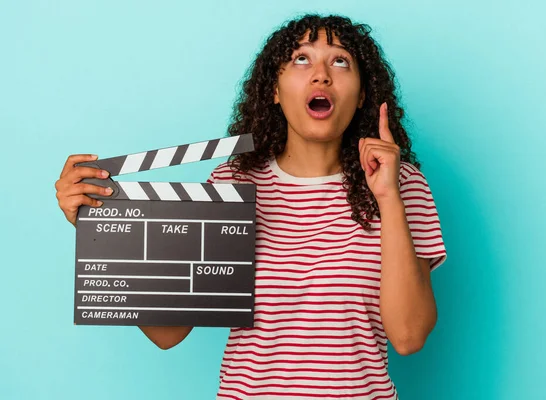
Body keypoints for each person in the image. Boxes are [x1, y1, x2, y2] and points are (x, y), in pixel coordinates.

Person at [55, 13, 447, 400]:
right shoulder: (232, 183)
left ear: (363, 93)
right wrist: (98, 226)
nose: (322, 74)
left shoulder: (401, 183)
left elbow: (409, 336)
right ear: (274, 90)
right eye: (301, 59)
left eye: (340, 61)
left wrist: (388, 197)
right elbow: (168, 333)